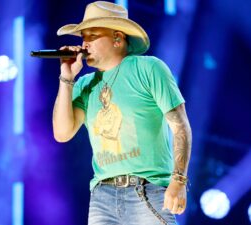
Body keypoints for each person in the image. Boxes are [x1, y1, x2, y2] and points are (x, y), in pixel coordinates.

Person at [52, 1, 192, 225]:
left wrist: (179, 180)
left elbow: (180, 126)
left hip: (145, 189)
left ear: (117, 38)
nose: (84, 43)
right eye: (83, 37)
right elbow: (62, 133)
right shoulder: (84, 84)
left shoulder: (148, 68)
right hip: (102, 196)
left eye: (93, 35)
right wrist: (67, 78)